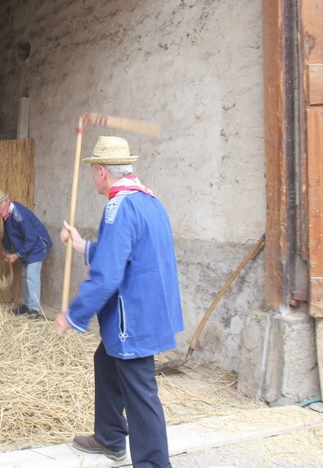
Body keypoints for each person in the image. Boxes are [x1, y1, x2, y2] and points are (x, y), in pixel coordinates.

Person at [54, 136, 183, 467]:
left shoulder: (118, 208)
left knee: (141, 393)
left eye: (93, 171)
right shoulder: (148, 201)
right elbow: (124, 255)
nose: (93, 178)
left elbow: (108, 275)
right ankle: (110, 437)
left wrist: (74, 314)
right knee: (105, 361)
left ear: (101, 171)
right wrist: (82, 245)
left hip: (133, 317)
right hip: (149, 308)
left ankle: (153, 463)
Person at [0, 189, 52, 317]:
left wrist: (18, 255)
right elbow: (8, 233)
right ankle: (27, 306)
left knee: (31, 276)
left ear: (6, 202)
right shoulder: (7, 214)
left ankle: (33, 310)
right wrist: (5, 248)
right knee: (26, 275)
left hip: (38, 246)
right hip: (28, 246)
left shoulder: (19, 215)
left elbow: (31, 238)